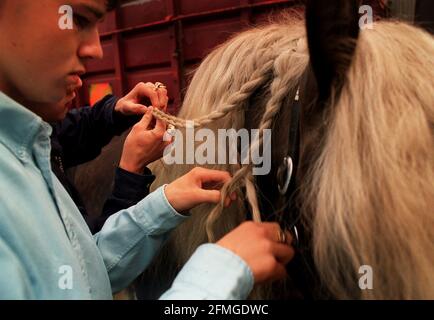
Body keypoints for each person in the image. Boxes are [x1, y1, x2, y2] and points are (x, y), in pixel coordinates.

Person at [0, 0, 294, 299]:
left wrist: (164, 204)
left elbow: (83, 276)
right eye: (77, 18)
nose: (96, 49)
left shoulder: (32, 147)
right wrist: (221, 272)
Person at [50, 83, 169, 234]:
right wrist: (132, 170)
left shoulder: (40, 130)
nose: (79, 82)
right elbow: (94, 250)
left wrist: (116, 110)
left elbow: (66, 129)